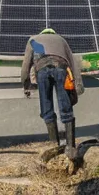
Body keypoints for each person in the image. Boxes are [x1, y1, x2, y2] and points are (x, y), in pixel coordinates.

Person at [22, 28, 83, 161]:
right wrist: (78, 86)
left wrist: (26, 85)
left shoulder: (33, 39)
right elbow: (74, 63)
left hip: (42, 70)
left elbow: (26, 65)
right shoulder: (61, 39)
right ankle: (70, 148)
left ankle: (54, 145)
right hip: (61, 68)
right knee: (65, 107)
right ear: (53, 34)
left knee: (46, 108)